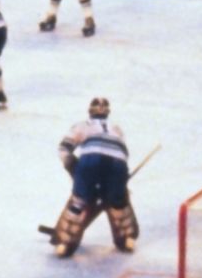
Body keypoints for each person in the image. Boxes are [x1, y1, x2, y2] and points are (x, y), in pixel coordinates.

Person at [47, 97, 137, 257]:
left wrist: (74, 168)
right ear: (108, 113)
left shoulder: (81, 126)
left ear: (89, 111)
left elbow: (63, 149)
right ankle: (127, 238)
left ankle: (64, 243)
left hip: (91, 160)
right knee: (119, 201)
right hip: (117, 163)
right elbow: (124, 153)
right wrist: (120, 182)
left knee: (79, 202)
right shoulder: (117, 128)